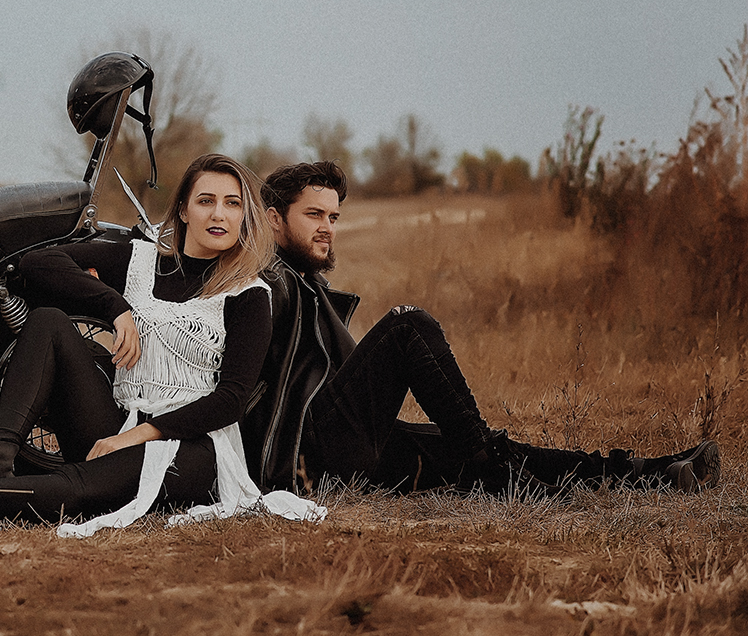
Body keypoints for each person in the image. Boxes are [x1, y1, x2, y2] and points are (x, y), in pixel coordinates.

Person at [0, 154, 325, 534]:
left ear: (244, 216)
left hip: (192, 445)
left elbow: (230, 400)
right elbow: (39, 263)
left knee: (83, 486)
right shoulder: (140, 260)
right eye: (206, 201)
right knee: (48, 321)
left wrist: (138, 435)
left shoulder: (248, 293)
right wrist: (114, 307)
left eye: (232, 204)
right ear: (184, 210)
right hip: (117, 417)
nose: (219, 214)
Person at [243, 160, 721, 496]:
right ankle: (489, 466)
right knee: (408, 325)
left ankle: (654, 473)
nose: (327, 227)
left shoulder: (307, 284)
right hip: (310, 457)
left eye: (333, 217)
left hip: (351, 449)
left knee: (486, 448)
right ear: (274, 220)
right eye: (313, 215)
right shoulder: (265, 283)